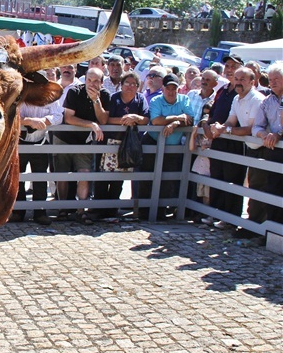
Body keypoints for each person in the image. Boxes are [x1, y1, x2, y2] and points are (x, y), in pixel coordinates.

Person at [205, 66, 265, 233]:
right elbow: (231, 120)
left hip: (260, 148)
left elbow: (250, 129)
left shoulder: (257, 99)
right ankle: (229, 220)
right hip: (248, 147)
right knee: (232, 181)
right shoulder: (236, 98)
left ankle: (252, 227)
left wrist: (226, 130)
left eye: (242, 79)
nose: (238, 83)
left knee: (254, 187)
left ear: (252, 82)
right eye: (237, 79)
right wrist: (220, 127)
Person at [53, 68, 110, 224]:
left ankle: (80, 210)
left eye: (96, 81)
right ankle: (63, 209)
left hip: (84, 140)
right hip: (64, 138)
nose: (92, 84)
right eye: (89, 80)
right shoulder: (74, 91)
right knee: (63, 175)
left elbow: (104, 120)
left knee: (84, 173)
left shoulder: (105, 94)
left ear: (102, 82)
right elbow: (69, 118)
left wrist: (96, 101)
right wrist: (91, 124)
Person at [93, 71, 149, 220]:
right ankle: (98, 210)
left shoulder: (140, 99)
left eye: (133, 84)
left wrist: (136, 118)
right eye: (127, 83)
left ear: (137, 86)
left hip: (129, 145)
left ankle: (112, 210)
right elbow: (106, 118)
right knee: (103, 177)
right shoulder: (114, 98)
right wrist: (124, 120)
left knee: (119, 178)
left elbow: (145, 119)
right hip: (111, 142)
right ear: (121, 84)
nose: (130, 86)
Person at [138, 75, 193, 219]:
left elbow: (190, 119)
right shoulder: (156, 100)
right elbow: (156, 121)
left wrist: (174, 124)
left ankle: (161, 212)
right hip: (153, 141)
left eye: (174, 88)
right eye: (168, 88)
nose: (171, 91)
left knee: (168, 179)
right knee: (147, 176)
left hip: (173, 145)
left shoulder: (184, 100)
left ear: (178, 89)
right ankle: (144, 212)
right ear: (163, 88)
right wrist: (177, 117)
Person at [11, 80, 62, 225]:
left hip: (40, 141)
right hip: (20, 142)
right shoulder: (20, 95)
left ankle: (40, 212)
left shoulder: (49, 97)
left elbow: (59, 115)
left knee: (40, 177)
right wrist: (28, 121)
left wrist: (44, 120)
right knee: (17, 177)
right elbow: (9, 114)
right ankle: (18, 211)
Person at [250, 62, 283, 224]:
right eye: (270, 79)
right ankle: (271, 230)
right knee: (272, 189)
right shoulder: (267, 102)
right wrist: (263, 134)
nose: (273, 82)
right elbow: (256, 126)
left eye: (277, 78)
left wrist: (278, 134)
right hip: (273, 151)